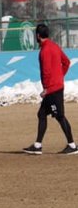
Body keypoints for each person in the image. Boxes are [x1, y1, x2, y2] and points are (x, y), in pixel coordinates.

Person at [23, 24, 78, 155]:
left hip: (52, 90)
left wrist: (47, 88)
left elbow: (46, 71)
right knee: (41, 114)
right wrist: (60, 76)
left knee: (60, 116)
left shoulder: (45, 50)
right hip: (55, 87)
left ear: (37, 36)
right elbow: (66, 62)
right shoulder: (54, 46)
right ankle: (37, 145)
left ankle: (72, 145)